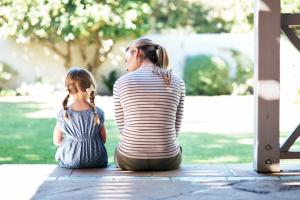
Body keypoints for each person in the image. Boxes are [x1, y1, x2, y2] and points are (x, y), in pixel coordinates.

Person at [113, 38, 185, 171]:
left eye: (126, 58)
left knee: (119, 150)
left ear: (136, 52)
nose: (126, 63)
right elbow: (176, 127)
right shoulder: (177, 81)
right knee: (177, 148)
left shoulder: (121, 83)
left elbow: (122, 127)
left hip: (130, 159)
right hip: (168, 160)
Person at [53, 67, 108, 168]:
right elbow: (103, 140)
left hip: (71, 160)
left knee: (60, 154)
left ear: (68, 89)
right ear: (90, 87)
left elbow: (57, 141)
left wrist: (71, 141)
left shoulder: (63, 114)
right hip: (97, 160)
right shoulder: (98, 113)